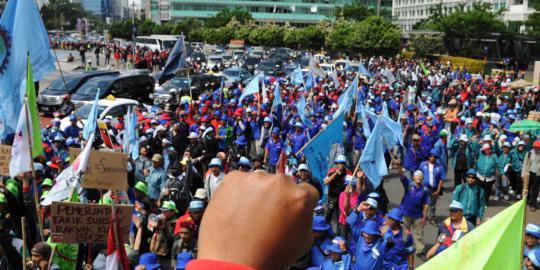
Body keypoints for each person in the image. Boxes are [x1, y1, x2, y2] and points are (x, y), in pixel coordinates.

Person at [397, 166, 430, 259]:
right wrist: (399, 166)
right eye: (416, 175)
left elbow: (426, 203)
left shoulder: (425, 190)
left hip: (417, 215)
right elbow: (402, 176)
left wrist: (424, 217)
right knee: (403, 232)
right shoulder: (409, 185)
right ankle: (402, 248)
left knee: (418, 234)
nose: (418, 176)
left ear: (422, 178)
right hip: (406, 213)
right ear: (413, 177)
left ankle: (420, 251)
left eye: (420, 175)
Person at [418, 149, 445, 224]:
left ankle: (432, 218)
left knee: (432, 204)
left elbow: (441, 180)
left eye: (434, 156)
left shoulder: (440, 167)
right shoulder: (423, 164)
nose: (432, 157)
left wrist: (438, 191)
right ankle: (421, 217)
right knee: (421, 203)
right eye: (431, 156)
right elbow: (418, 174)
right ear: (428, 156)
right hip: (424, 188)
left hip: (434, 189)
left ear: (436, 158)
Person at [324, 155, 351, 224]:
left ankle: (340, 231)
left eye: (342, 163)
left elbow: (350, 185)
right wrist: (335, 173)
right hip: (333, 195)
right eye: (339, 163)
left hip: (342, 196)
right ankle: (325, 228)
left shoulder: (348, 172)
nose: (341, 165)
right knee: (329, 212)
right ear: (336, 164)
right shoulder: (331, 171)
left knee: (341, 213)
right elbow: (326, 182)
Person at [522, 140, 540, 211]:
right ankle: (527, 200)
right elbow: (525, 164)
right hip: (529, 172)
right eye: (535, 147)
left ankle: (533, 204)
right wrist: (523, 174)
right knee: (527, 188)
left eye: (537, 147)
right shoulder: (529, 153)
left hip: (538, 174)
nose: (536, 148)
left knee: (535, 190)